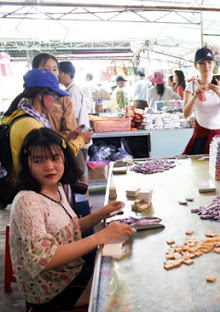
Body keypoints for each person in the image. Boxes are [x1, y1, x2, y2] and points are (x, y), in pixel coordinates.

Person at [9, 128, 134, 311]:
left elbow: (67, 231)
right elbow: (42, 259)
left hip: (72, 270)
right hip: (53, 291)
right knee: (120, 294)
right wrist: (101, 236)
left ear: (64, 159)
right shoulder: (28, 201)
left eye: (55, 158)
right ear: (27, 164)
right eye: (38, 161)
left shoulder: (56, 188)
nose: (49, 166)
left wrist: (99, 215)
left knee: (123, 264)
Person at [1, 68, 86, 173]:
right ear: (40, 96)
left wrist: (67, 139)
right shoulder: (30, 124)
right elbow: (53, 159)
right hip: (34, 184)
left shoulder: (24, 116)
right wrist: (81, 140)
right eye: (54, 96)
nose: (55, 101)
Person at [31, 53, 91, 154]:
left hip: (65, 149)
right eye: (46, 69)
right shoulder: (27, 105)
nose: (52, 74)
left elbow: (70, 127)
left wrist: (76, 138)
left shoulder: (66, 98)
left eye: (55, 70)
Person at [183, 47, 220, 154]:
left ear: (214, 63)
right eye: (202, 63)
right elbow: (186, 113)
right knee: (200, 168)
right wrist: (196, 94)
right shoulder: (191, 85)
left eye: (209, 62)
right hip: (202, 135)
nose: (206, 66)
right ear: (195, 66)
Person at [58, 61, 91, 189]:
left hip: (78, 136)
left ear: (68, 74)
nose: (58, 75)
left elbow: (74, 117)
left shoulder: (73, 92)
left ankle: (86, 202)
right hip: (77, 136)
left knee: (80, 170)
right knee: (80, 169)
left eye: (59, 72)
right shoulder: (69, 91)